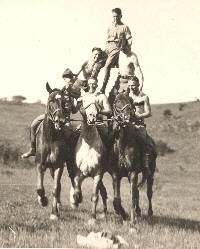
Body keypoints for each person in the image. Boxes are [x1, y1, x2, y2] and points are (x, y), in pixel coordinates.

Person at [21, 68, 78, 158]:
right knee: (33, 125)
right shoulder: (58, 89)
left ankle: (68, 156)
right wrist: (62, 92)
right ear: (64, 79)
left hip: (64, 119)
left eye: (70, 77)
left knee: (70, 135)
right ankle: (32, 149)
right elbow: (51, 100)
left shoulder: (74, 93)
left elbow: (74, 111)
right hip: (50, 116)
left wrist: (78, 102)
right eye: (67, 77)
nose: (69, 79)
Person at [100, 8, 132, 94]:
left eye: (117, 16)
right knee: (96, 60)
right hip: (108, 47)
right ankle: (91, 82)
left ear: (120, 16)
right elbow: (107, 39)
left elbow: (129, 39)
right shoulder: (110, 26)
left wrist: (128, 48)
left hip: (117, 47)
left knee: (107, 66)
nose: (115, 18)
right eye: (113, 16)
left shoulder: (124, 27)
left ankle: (103, 87)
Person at [127, 76, 156, 171]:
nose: (131, 88)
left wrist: (139, 116)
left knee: (145, 142)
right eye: (130, 85)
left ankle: (145, 162)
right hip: (126, 124)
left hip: (138, 124)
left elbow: (148, 113)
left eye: (133, 86)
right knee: (113, 137)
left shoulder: (144, 97)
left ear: (138, 85)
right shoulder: (126, 96)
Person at [78, 77, 112, 145]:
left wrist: (99, 111)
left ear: (96, 85)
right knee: (74, 136)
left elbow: (109, 111)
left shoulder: (102, 96)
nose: (91, 86)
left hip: (98, 123)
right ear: (87, 84)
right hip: (85, 123)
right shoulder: (83, 96)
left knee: (108, 139)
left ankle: (108, 154)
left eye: (94, 84)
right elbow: (80, 110)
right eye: (90, 83)